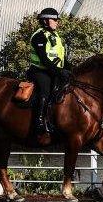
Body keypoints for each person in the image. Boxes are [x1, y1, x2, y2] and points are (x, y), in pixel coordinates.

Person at [27, 8, 71, 144]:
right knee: (45, 91)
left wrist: (70, 69)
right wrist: (59, 72)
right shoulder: (39, 36)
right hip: (39, 71)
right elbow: (44, 59)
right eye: (55, 20)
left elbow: (61, 57)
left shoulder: (56, 36)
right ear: (46, 21)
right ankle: (39, 122)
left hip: (54, 71)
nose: (57, 22)